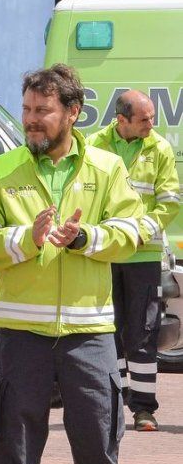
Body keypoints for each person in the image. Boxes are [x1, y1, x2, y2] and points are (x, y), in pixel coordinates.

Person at [0, 65, 146, 464]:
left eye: (42, 111)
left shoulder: (107, 169)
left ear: (73, 113)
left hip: (90, 331)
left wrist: (86, 238)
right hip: (21, 330)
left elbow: (133, 229)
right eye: (26, 109)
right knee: (15, 436)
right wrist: (27, 239)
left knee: (99, 434)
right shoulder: (1, 170)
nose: (31, 119)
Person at [86, 90, 179, 432]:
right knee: (107, 329)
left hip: (143, 253)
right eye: (144, 119)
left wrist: (139, 231)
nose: (151, 124)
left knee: (143, 330)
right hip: (106, 253)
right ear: (121, 120)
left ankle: (143, 410)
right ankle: (115, 402)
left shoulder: (160, 148)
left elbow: (169, 202)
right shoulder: (93, 145)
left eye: (152, 117)